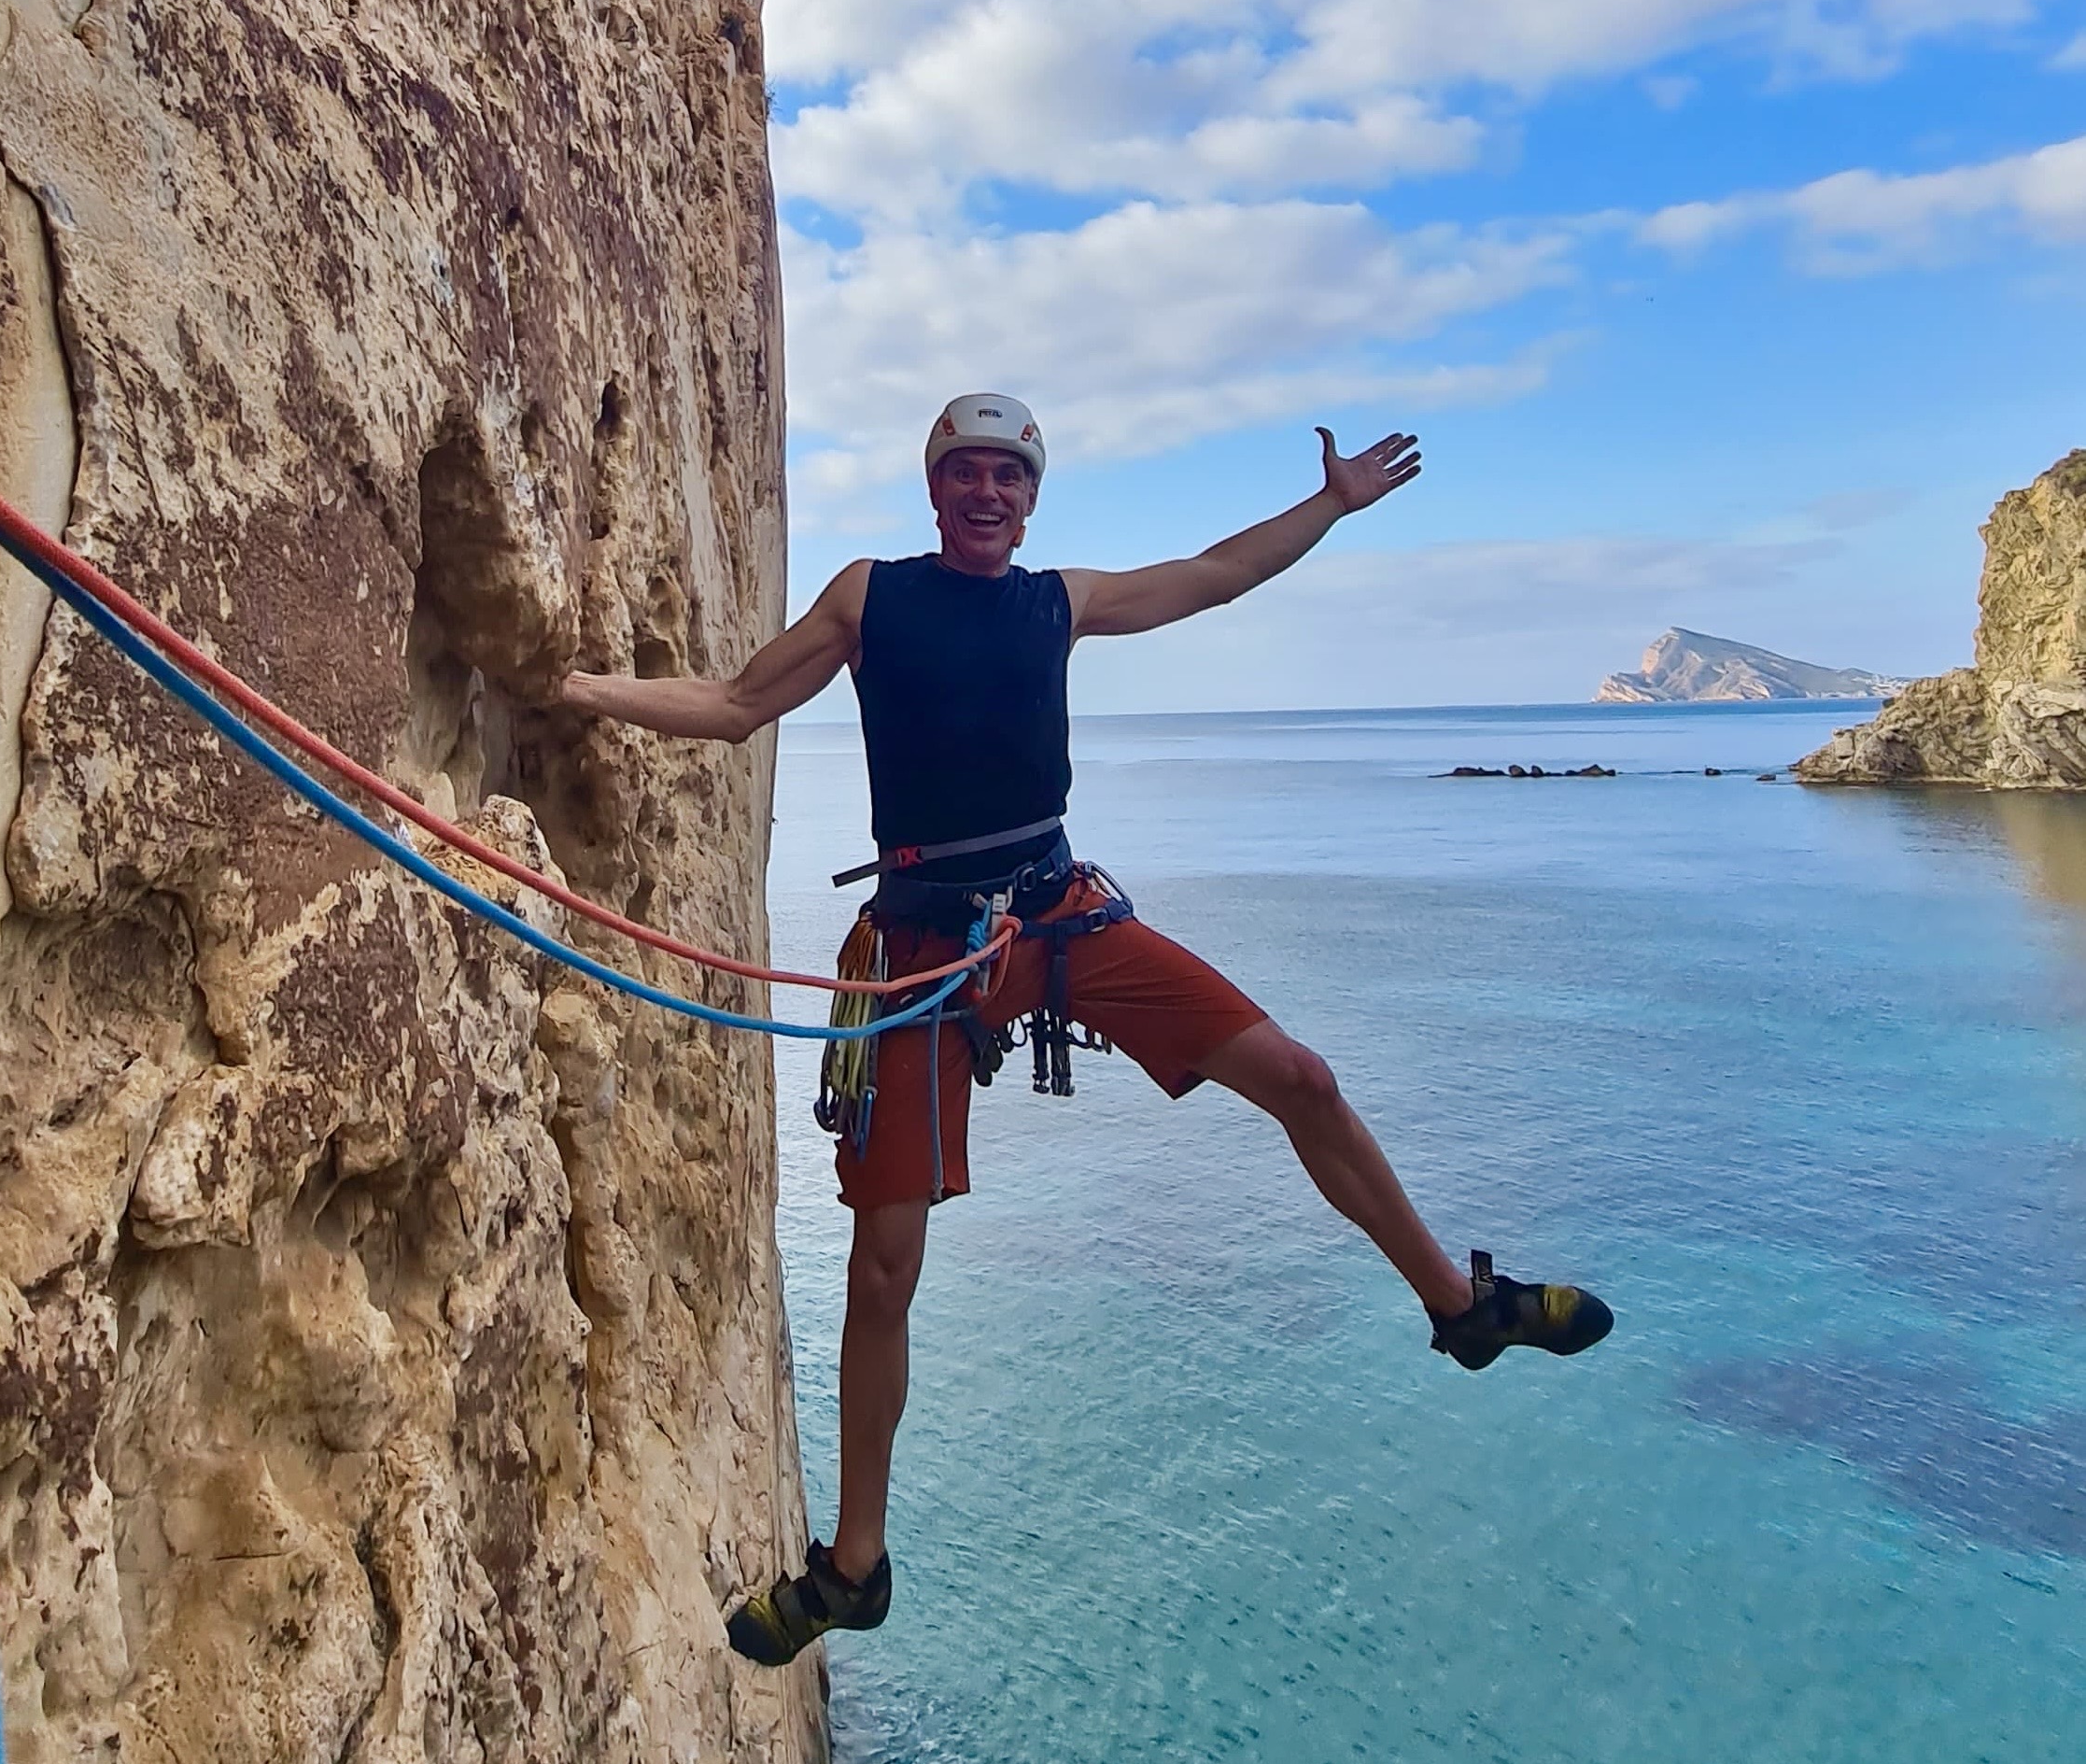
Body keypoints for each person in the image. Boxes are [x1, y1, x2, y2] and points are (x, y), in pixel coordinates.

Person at [558, 392, 1613, 1668]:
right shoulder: (867, 598)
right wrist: (576, 687)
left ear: (1031, 496)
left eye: (1010, 475)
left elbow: (1213, 578)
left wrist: (1329, 506)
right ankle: (853, 1568)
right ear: (935, 487)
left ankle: (1462, 1308)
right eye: (968, 472)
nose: (988, 493)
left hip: (1055, 913)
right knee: (884, 1265)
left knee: (1302, 1077)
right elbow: (733, 704)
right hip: (924, 948)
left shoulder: (1054, 602)